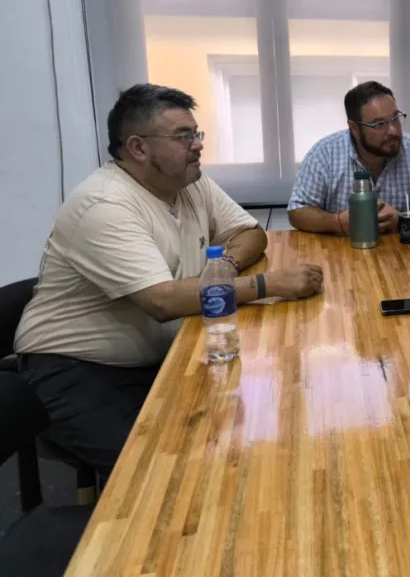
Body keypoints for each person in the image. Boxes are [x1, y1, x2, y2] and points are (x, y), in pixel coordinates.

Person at [15, 84, 324, 477]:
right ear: (138, 148)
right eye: (183, 136)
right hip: (78, 370)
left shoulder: (189, 182)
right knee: (164, 475)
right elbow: (162, 301)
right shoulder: (104, 204)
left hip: (162, 355)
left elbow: (250, 233)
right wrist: (269, 285)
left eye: (196, 133)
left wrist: (222, 270)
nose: (197, 145)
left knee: (248, 434)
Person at [288, 81, 410, 234]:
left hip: (404, 251)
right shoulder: (325, 154)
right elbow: (297, 210)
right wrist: (338, 222)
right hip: (343, 250)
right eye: (379, 124)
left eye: (395, 119)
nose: (393, 131)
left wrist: (403, 219)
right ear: (354, 128)